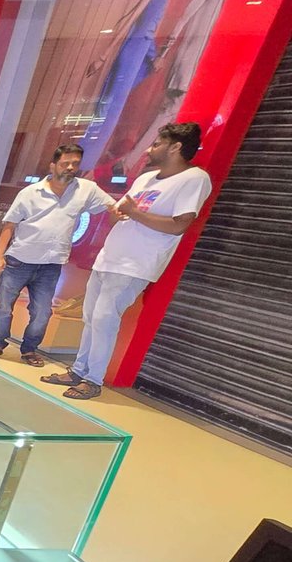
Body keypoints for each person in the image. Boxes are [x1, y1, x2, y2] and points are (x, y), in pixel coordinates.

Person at [42, 122, 211, 400]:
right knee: (90, 317)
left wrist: (135, 213)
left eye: (156, 144)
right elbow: (119, 213)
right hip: (109, 257)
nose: (149, 149)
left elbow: (179, 225)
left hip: (135, 263)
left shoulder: (194, 179)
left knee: (104, 319)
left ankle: (93, 380)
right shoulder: (147, 178)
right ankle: (79, 370)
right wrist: (119, 213)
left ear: (176, 147)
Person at [117, 0, 253, 178]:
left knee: (175, 116)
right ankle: (131, 162)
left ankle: (141, 164)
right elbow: (184, 17)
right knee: (169, 112)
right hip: (188, 62)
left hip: (204, 66)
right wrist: (165, 52)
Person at [0, 143, 116, 366]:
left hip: (50, 265)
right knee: (4, 306)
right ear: (53, 165)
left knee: (42, 312)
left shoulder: (85, 189)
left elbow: (112, 206)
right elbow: (10, 224)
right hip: (19, 261)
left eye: (75, 164)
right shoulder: (30, 193)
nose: (70, 168)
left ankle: (29, 350)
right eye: (65, 163)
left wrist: (129, 213)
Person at [79, 0, 194, 167]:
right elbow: (136, 16)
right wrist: (105, 54)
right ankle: (83, 164)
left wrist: (153, 55)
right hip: (134, 50)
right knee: (109, 111)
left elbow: (149, 29)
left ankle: (85, 162)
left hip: (142, 50)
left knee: (111, 110)